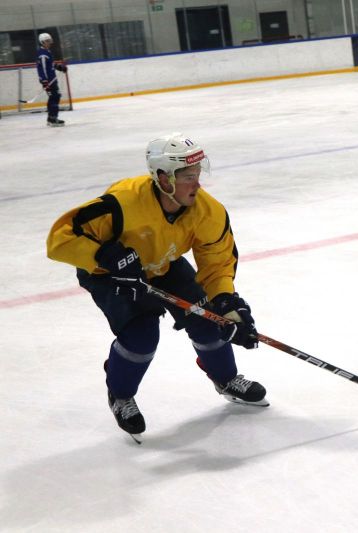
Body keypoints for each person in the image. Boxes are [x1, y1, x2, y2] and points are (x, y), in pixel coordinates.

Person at [46, 133, 267, 440]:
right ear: (163, 178)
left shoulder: (207, 211)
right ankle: (120, 394)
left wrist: (226, 302)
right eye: (188, 177)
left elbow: (217, 263)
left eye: (197, 175)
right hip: (109, 273)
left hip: (162, 263)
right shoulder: (123, 203)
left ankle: (226, 378)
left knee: (210, 320)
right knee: (142, 336)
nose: (197, 185)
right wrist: (106, 255)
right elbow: (60, 238)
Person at [36, 32, 68, 127]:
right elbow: (43, 69)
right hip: (48, 81)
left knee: (55, 96)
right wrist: (45, 81)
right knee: (54, 97)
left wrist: (59, 67)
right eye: (47, 41)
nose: (49, 42)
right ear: (42, 42)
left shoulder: (47, 52)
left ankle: (51, 118)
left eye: (50, 40)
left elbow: (51, 64)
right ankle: (52, 118)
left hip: (52, 79)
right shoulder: (42, 54)